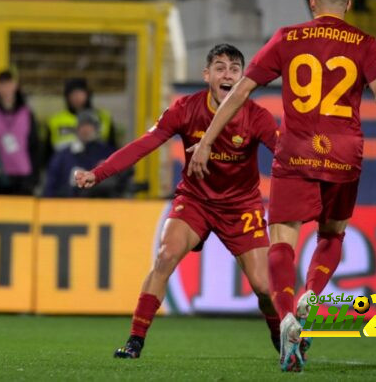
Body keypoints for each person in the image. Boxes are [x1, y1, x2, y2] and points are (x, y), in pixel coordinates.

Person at [188, 0, 376, 372]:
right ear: (350, 3)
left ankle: (288, 315)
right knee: (333, 233)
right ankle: (313, 293)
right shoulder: (365, 43)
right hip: (344, 154)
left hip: (297, 151)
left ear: (312, 1)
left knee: (282, 241)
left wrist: (205, 140)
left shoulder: (288, 38)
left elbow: (241, 92)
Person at [75, 44, 281, 359]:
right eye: (220, 68)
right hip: (195, 201)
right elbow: (145, 144)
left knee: (265, 288)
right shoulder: (185, 109)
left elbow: (285, 155)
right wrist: (99, 173)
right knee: (165, 255)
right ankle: (135, 341)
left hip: (240, 208)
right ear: (207, 75)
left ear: (243, 76)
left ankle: (281, 337)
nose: (228, 74)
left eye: (235, 69)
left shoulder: (257, 116)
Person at [0, 70, 40, 195]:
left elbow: (34, 146)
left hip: (23, 176)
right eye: (2, 85)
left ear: (15, 86)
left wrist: (34, 178)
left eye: (9, 84)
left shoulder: (26, 113)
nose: (6, 89)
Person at [44, 110, 119, 198]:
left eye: (89, 125)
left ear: (96, 128)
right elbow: (50, 183)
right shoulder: (63, 154)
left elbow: (116, 183)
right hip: (67, 204)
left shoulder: (107, 152)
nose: (85, 129)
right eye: (82, 126)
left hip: (98, 205)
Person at [45, 78, 117, 164]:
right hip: (65, 169)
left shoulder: (103, 117)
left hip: (97, 170)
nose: (76, 97)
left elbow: (112, 148)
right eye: (73, 94)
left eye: (80, 93)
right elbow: (48, 152)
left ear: (88, 94)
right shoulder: (55, 120)